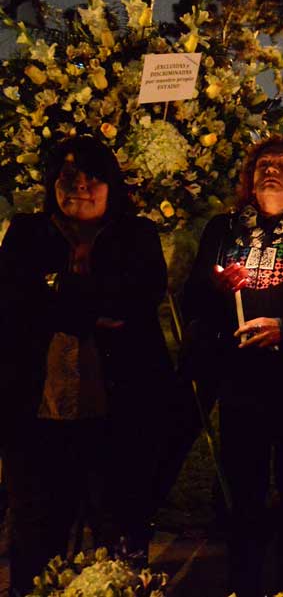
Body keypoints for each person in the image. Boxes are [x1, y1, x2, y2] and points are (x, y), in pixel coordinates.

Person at [0, 136, 172, 594]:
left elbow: (136, 300)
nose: (79, 187)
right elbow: (15, 303)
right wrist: (89, 310)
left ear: (111, 184)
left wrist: (59, 300)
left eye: (92, 177)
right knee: (37, 532)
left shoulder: (136, 235)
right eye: (68, 177)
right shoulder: (26, 232)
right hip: (38, 412)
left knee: (119, 528)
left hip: (119, 411)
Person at [181, 134, 283, 597]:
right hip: (240, 380)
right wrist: (217, 288)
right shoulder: (224, 229)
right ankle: (244, 582)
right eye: (263, 164)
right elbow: (193, 297)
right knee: (242, 489)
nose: (270, 170)